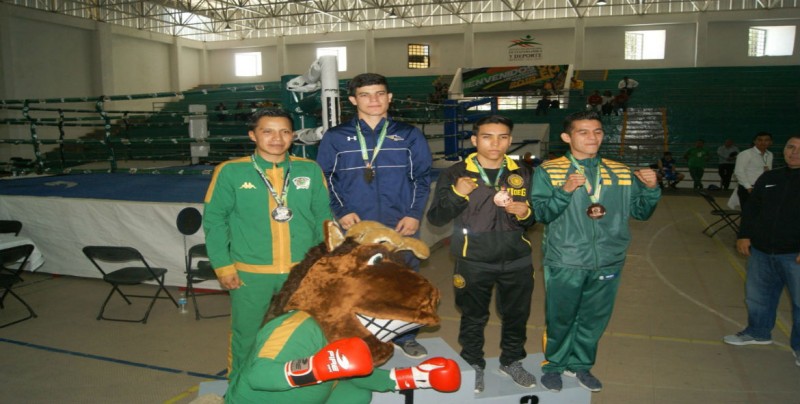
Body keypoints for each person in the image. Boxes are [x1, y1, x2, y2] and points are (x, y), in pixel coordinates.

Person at [530, 110, 661, 393]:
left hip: (609, 259)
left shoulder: (621, 172)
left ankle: (581, 365)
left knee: (593, 319)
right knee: (561, 316)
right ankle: (554, 365)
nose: (593, 137)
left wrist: (651, 189)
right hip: (566, 258)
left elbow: (641, 212)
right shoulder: (549, 171)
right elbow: (541, 214)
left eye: (598, 131)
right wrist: (564, 190)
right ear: (567, 137)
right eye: (583, 132)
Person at [203, 109, 332, 381]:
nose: (277, 138)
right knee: (246, 335)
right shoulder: (231, 172)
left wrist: (324, 265)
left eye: (284, 132)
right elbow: (215, 221)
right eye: (267, 131)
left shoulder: (308, 169)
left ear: (293, 136)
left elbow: (324, 219)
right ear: (253, 135)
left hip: (301, 272)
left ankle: (300, 385)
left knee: (304, 332)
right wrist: (223, 266)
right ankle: (240, 388)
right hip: (251, 272)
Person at [316, 73, 432, 358]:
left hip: (400, 223)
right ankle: (362, 335)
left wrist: (414, 213)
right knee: (357, 280)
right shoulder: (336, 138)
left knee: (402, 279)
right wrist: (341, 211)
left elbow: (421, 177)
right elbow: (326, 179)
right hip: (356, 226)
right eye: (366, 95)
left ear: (389, 97)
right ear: (353, 100)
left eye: (380, 93)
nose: (374, 100)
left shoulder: (408, 135)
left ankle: (406, 336)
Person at [426, 115, 537, 393]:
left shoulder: (525, 172)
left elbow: (536, 217)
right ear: (475, 140)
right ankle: (473, 363)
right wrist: (457, 194)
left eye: (502, 137)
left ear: (510, 140)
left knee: (516, 315)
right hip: (473, 260)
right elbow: (437, 218)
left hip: (517, 259)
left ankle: (512, 361)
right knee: (473, 316)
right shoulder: (454, 173)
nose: (495, 143)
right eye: (487, 136)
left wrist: (526, 213)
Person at [723, 135, 800, 368]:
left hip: (794, 255)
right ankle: (758, 332)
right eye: (790, 147)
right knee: (758, 297)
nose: (794, 152)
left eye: (799, 149)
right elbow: (752, 209)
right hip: (762, 252)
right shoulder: (770, 177)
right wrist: (744, 235)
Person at [733, 132, 773, 208]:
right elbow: (739, 172)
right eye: (760, 140)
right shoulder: (745, 154)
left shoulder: (770, 154)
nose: (763, 142)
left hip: (763, 188)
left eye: (766, 140)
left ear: (771, 142)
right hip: (748, 188)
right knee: (748, 214)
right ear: (754, 141)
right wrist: (748, 187)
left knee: (761, 213)